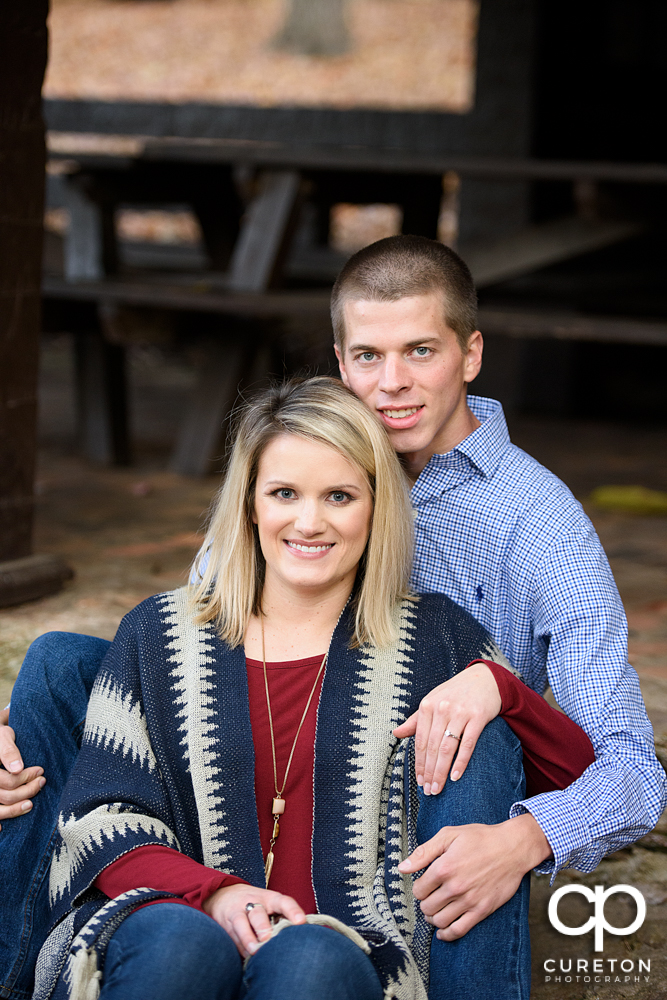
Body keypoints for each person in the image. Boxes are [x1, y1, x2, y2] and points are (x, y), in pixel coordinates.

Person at [1, 235, 665, 994]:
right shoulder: (291, 466)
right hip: (259, 770)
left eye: (419, 351)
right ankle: (28, 966)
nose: (391, 385)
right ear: (340, 361)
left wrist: (522, 831)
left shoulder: (537, 524)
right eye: (368, 358)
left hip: (414, 793)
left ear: (470, 354)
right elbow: (190, 652)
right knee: (56, 669)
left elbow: (631, 775)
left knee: (471, 739)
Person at [30, 377, 593, 1000]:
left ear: (376, 506)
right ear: (250, 503)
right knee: (183, 946)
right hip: (177, 912)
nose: (309, 521)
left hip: (349, 946)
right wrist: (214, 893)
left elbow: (575, 773)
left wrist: (500, 687)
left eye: (340, 496)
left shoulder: (433, 639)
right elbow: (101, 815)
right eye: (284, 493)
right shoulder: (160, 633)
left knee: (308, 964)